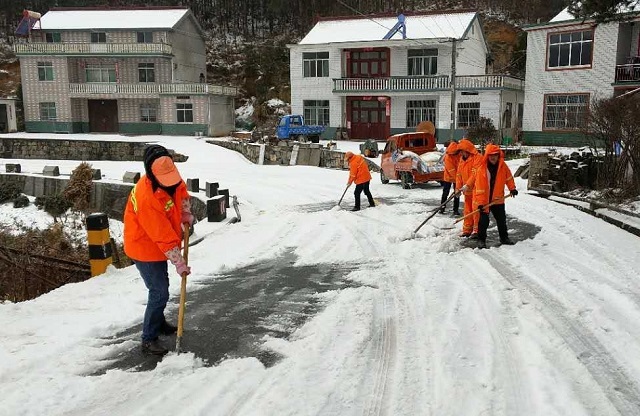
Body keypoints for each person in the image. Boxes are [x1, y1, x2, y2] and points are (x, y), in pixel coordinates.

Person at [123, 145, 194, 356]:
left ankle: (159, 323)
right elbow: (162, 236)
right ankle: (148, 338)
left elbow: (181, 193)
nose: (171, 181)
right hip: (144, 246)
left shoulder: (173, 179)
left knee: (160, 287)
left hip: (159, 245)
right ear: (151, 173)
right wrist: (179, 262)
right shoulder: (146, 198)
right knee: (159, 291)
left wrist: (185, 213)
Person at [466, 144, 518, 249]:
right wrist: (479, 201)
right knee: (483, 222)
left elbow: (509, 178)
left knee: (501, 220)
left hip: (497, 199)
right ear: (487, 156)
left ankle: (504, 238)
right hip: (484, 200)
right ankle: (481, 240)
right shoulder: (481, 167)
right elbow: (476, 183)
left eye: (495, 155)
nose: (493, 157)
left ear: (499, 155)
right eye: (490, 155)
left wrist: (512, 188)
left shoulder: (503, 166)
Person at [456, 139, 483, 238]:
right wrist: (457, 188)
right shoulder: (462, 160)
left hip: (477, 189)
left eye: (462, 151)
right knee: (467, 210)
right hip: (466, 190)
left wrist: (467, 185)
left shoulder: (478, 158)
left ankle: (476, 230)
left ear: (467, 150)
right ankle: (467, 230)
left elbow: (475, 173)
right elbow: (459, 175)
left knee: (476, 210)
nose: (461, 153)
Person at [440, 141, 461, 215]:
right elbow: (451, 170)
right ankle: (442, 208)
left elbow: (461, 166)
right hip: (448, 177)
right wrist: (459, 180)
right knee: (445, 192)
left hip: (457, 176)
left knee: (457, 193)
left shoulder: (459, 155)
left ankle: (456, 209)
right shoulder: (448, 156)